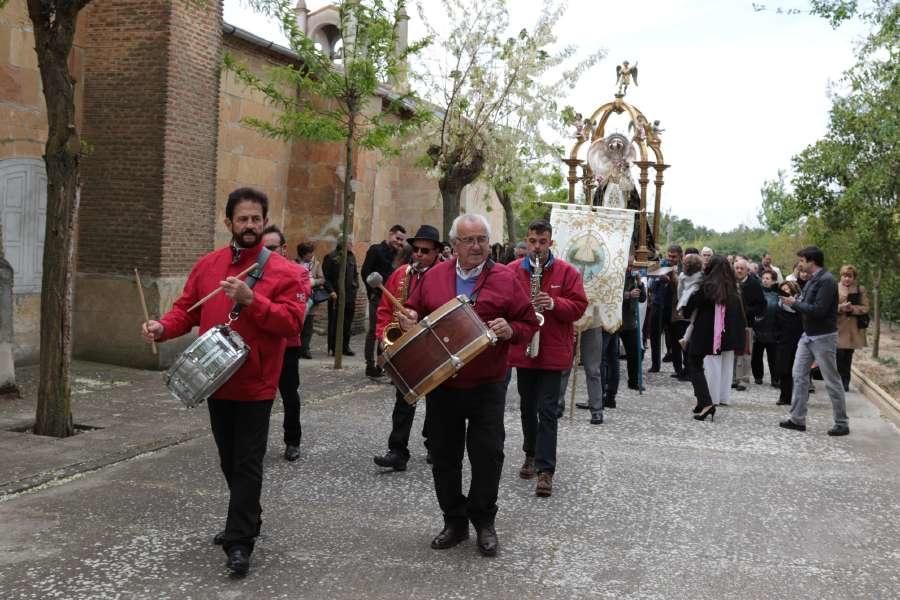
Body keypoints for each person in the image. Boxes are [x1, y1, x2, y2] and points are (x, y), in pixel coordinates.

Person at [141, 188, 306, 577]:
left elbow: (292, 324)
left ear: (264, 222)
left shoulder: (287, 272)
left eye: (256, 219)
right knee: (229, 460)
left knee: (248, 462)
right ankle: (248, 517)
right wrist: (161, 327)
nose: (249, 226)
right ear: (228, 221)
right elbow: (187, 310)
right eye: (242, 219)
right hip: (215, 382)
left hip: (257, 384)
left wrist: (252, 300)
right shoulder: (208, 265)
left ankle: (239, 541)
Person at [399, 214, 539, 557]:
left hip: (488, 384)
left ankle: (484, 522)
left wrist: (512, 329)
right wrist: (407, 319)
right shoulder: (433, 277)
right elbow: (412, 312)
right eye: (468, 240)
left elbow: (528, 321)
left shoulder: (506, 278)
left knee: (488, 456)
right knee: (444, 456)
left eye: (481, 239)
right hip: (443, 384)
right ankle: (454, 521)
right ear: (454, 246)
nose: (476, 246)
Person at [508, 220, 587, 498]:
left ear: (550, 243)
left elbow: (579, 306)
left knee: (548, 411)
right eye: (532, 241)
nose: (537, 247)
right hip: (525, 349)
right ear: (527, 241)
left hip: (553, 351)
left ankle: (545, 470)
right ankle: (530, 452)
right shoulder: (513, 271)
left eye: (542, 242)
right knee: (527, 408)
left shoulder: (567, 272)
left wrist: (554, 303)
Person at [372, 225, 442, 472]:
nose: (419, 255)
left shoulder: (444, 276)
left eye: (425, 251)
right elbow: (384, 309)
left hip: (433, 346)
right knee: (403, 400)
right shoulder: (401, 273)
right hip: (404, 345)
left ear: (436, 253)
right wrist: (383, 336)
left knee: (437, 402)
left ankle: (434, 445)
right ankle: (397, 451)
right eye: (416, 250)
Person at [779, 246, 849, 436]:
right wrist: (792, 301)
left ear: (812, 262)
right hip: (807, 335)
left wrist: (795, 303)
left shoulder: (827, 281)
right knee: (799, 375)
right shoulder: (812, 280)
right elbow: (805, 304)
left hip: (823, 337)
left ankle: (842, 423)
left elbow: (818, 310)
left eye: (802, 261)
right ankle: (797, 419)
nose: (800, 264)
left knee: (831, 380)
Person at [261, 226, 311, 462]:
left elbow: (298, 308)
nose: (267, 254)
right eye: (263, 249)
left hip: (287, 344)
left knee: (289, 394)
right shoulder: (256, 273)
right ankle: (256, 442)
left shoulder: (296, 272)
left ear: (283, 248)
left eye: (272, 248)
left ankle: (293, 441)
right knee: (260, 398)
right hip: (261, 343)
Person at [684, 255, 747, 421]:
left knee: (694, 364)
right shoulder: (732, 288)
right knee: (716, 367)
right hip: (722, 335)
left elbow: (689, 307)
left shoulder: (707, 287)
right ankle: (704, 400)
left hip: (704, 334)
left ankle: (706, 403)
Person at [361, 225, 407, 377]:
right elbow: (365, 272)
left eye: (402, 240)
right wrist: (372, 292)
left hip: (392, 300)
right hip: (378, 297)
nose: (399, 242)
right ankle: (369, 365)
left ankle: (381, 365)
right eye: (397, 238)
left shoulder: (398, 254)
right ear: (390, 234)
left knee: (386, 333)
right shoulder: (375, 250)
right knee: (374, 332)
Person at [732, 258, 764, 392]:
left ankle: (743, 379)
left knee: (745, 352)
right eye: (737, 268)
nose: (739, 270)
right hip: (732, 322)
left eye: (742, 268)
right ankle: (732, 378)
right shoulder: (730, 282)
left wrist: (747, 311)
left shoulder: (754, 284)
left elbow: (762, 304)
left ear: (747, 270)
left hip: (747, 323)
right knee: (732, 351)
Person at [836, 264, 869, 392]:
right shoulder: (835, 287)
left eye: (849, 276)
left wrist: (853, 309)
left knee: (847, 357)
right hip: (838, 327)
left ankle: (845, 382)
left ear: (854, 277)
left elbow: (865, 307)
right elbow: (829, 306)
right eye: (844, 276)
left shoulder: (860, 289)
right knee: (838, 356)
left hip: (853, 329)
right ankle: (838, 381)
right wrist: (841, 307)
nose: (846, 279)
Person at [323, 240, 359, 357]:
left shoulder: (351, 256)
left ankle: (345, 346)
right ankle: (333, 347)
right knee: (334, 322)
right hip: (336, 295)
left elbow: (355, 274)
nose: (352, 245)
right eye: (350, 243)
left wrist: (355, 285)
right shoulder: (331, 257)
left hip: (350, 295)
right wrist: (331, 291)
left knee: (347, 322)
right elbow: (326, 278)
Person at [774, 280, 804, 405]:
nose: (785, 292)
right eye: (783, 289)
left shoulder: (800, 305)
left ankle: (799, 398)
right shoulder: (779, 305)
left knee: (797, 371)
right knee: (784, 369)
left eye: (787, 289)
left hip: (798, 341)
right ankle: (784, 397)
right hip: (784, 341)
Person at [297, 242, 327, 359]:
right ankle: (297, 348)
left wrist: (313, 282)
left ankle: (306, 348)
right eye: (309, 253)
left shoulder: (316, 264)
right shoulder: (294, 263)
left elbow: (322, 279)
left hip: (311, 297)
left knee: (309, 325)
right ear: (303, 254)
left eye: (311, 253)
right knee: (299, 325)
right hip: (298, 298)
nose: (311, 255)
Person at [751, 269, 780, 386]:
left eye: (768, 278)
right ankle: (758, 376)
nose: (765, 280)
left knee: (773, 356)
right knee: (756, 356)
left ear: (773, 281)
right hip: (758, 328)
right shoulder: (756, 293)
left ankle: (775, 378)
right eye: (763, 278)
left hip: (773, 329)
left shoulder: (778, 295)